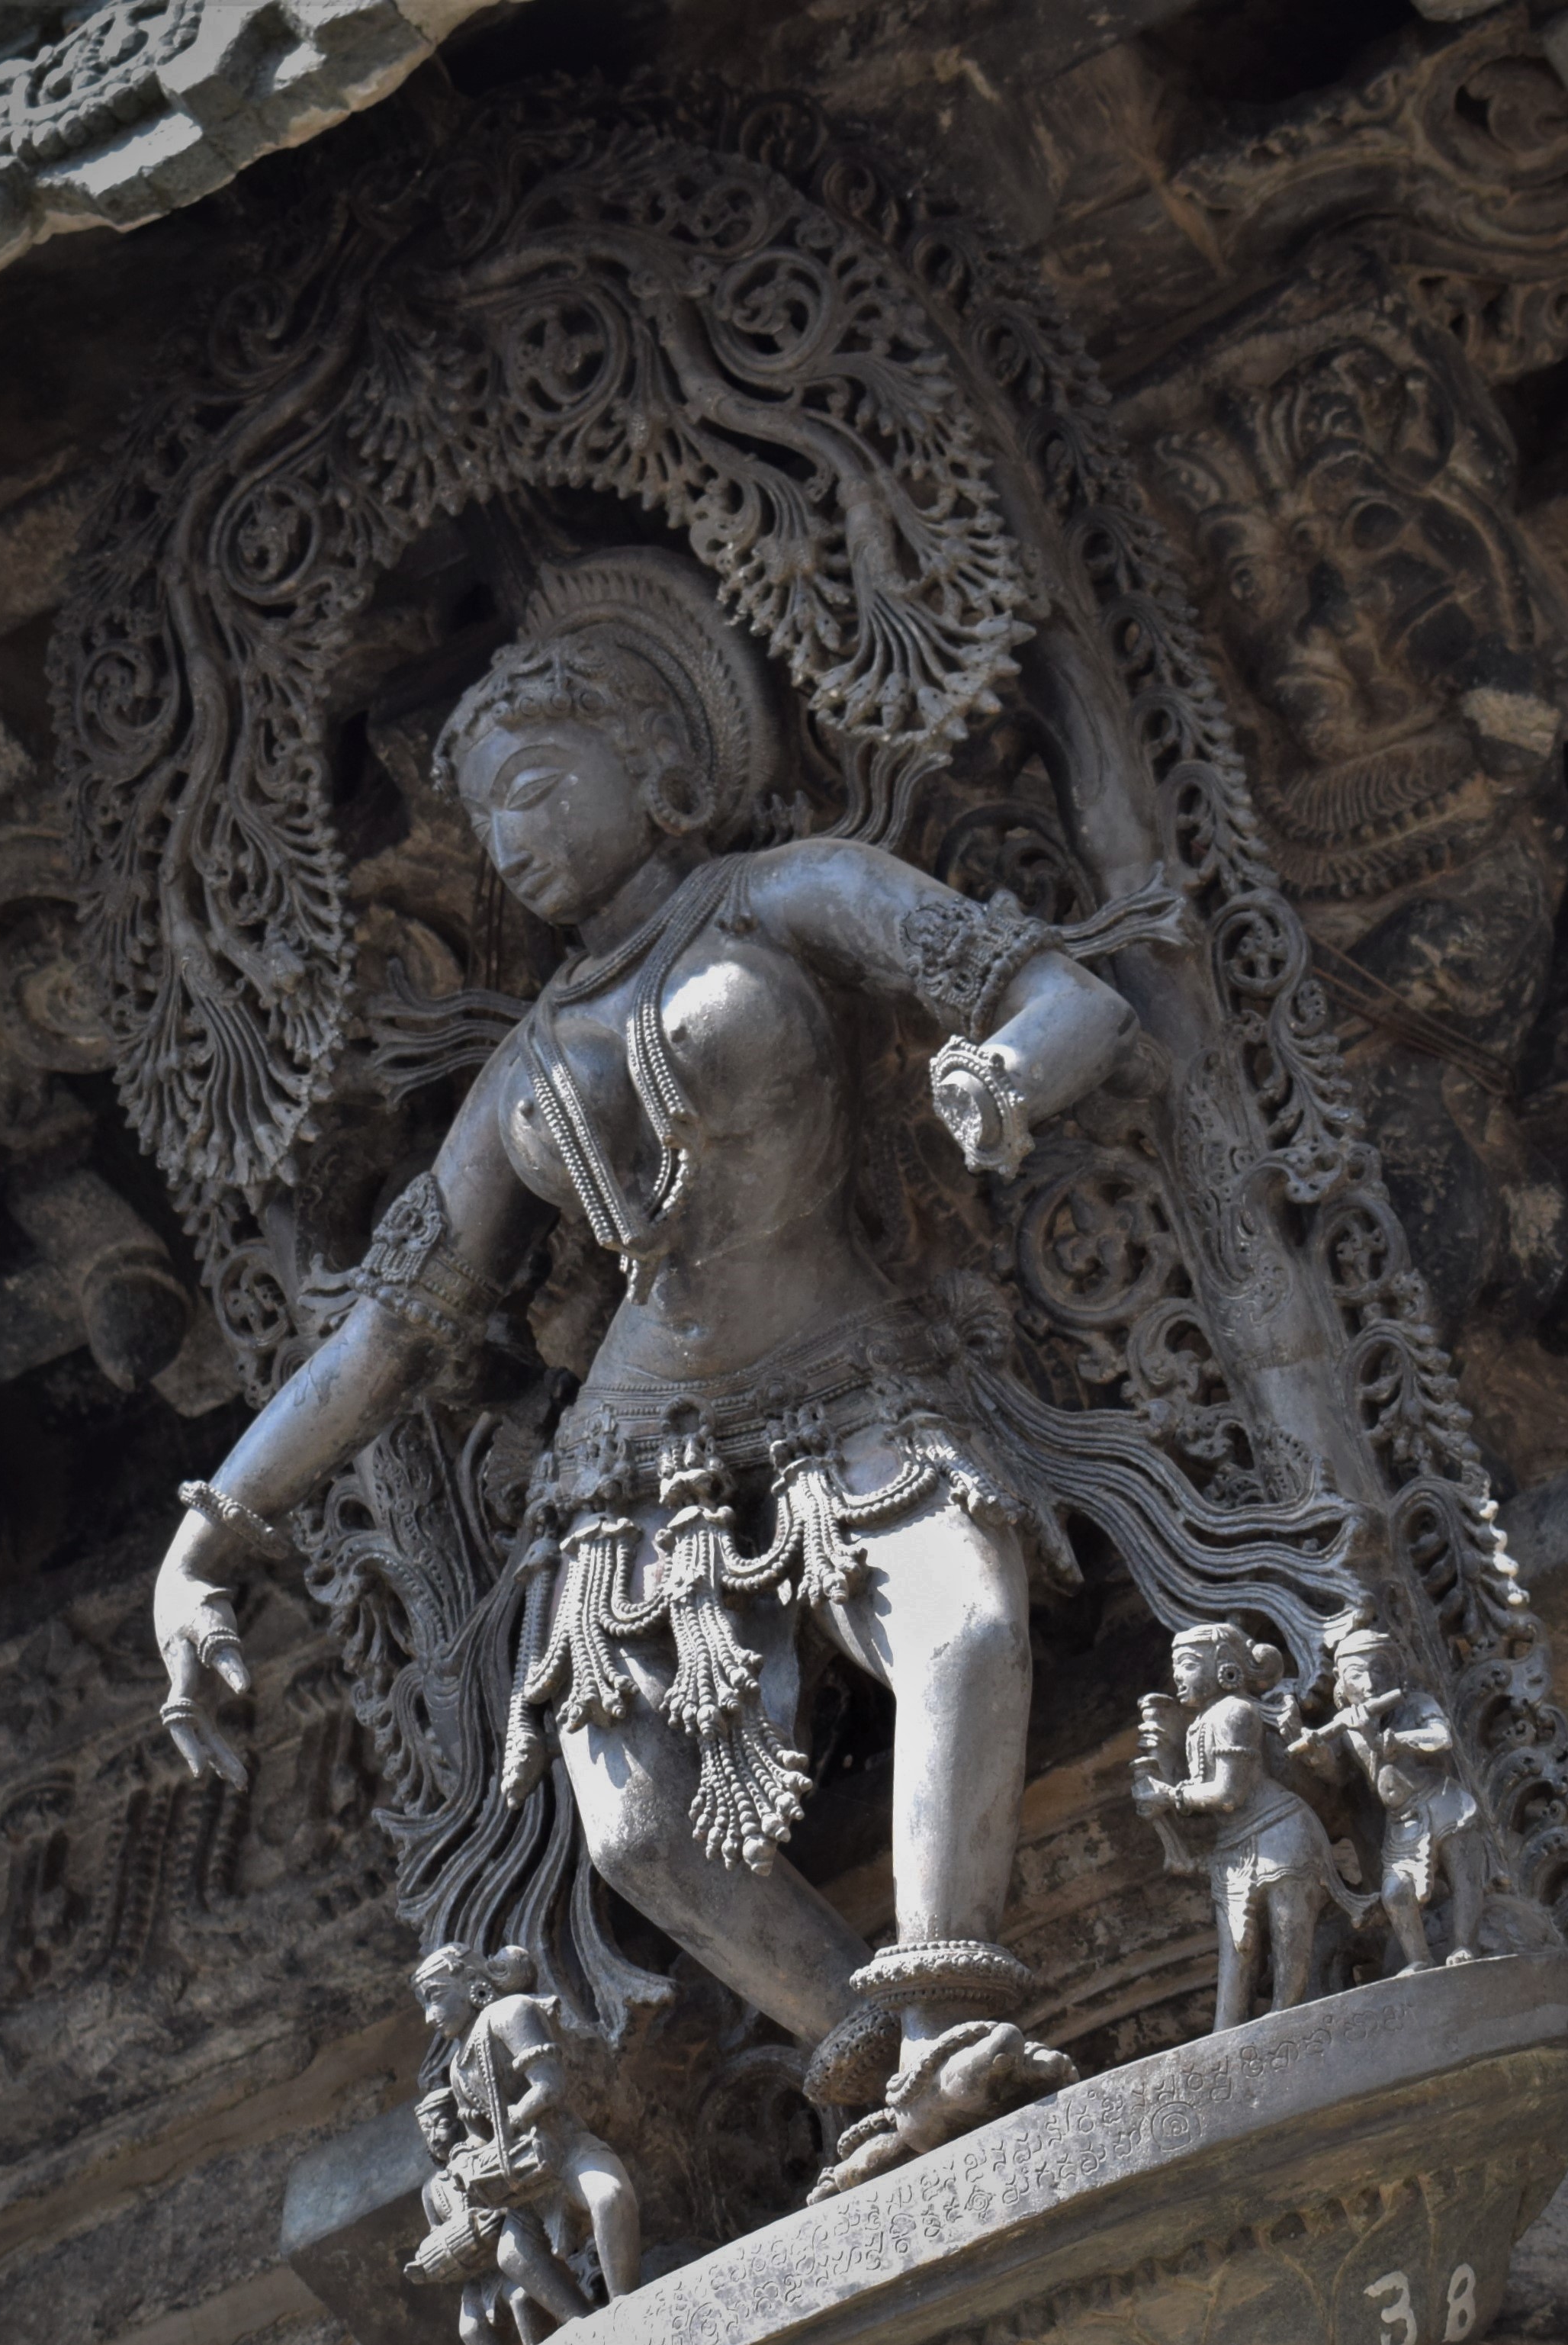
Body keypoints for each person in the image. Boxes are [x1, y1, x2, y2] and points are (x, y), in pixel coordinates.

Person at [150, 545, 1341, 2191]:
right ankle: (879, 2055)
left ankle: (952, 2016)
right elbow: (387, 1330)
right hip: (635, 1458)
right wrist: (212, 1533)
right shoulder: (520, 1066)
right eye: (489, 816)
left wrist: (1003, 1075)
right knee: (637, 1827)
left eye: (541, 786)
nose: (514, 837)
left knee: (966, 1628)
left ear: (655, 764)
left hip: (853, 1374)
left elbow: (1064, 997)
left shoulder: (793, 893)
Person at [405, 1941, 640, 2345]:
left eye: (436, 1996)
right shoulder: (458, 2068)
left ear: (472, 1984)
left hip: (563, 2148)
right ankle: (585, 2326)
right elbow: (477, 2135)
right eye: (425, 2004)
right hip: (525, 2176)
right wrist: (466, 2162)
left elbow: (549, 2084)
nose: (429, 2016)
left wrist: (514, 2118)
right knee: (512, 2254)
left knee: (609, 2197)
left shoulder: (511, 2014)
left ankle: (627, 2305)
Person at [1135, 1623, 1351, 2031]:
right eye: (1176, 1667)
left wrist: (1170, 1795)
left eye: (1189, 1664)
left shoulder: (1237, 1712)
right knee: (1236, 1958)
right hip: (1234, 1848)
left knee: (1290, 1969)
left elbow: (1229, 1793)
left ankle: (1287, 2029)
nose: (1178, 1676)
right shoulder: (1199, 1725)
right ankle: (1225, 2040)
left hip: (1282, 1836)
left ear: (1224, 1667)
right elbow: (1204, 1799)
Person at [1292, 1629, 1492, 1971]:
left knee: (1464, 1878)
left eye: (1379, 1670)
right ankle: (1419, 1959)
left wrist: (1398, 1741)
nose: (1369, 1683)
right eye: (1357, 1675)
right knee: (1395, 1893)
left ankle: (1465, 1946)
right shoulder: (1347, 1725)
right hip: (1404, 1820)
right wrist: (1319, 1755)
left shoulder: (1415, 1704)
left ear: (1397, 1673)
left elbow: (1441, 1738)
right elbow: (1340, 1775)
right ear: (1341, 1682)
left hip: (1444, 1804)